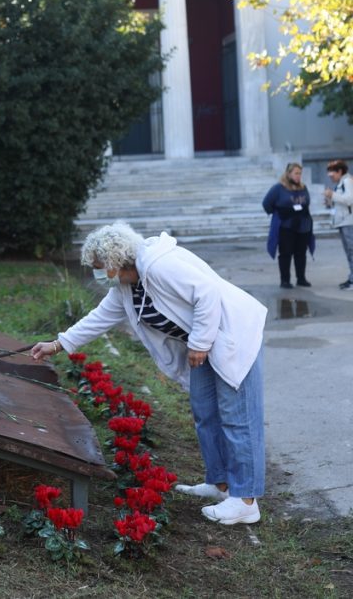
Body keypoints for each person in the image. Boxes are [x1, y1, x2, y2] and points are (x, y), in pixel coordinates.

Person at [31, 223, 267, 525]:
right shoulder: (127, 287)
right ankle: (220, 483)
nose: (99, 273)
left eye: (101, 267)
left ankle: (245, 500)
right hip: (204, 345)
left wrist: (199, 343)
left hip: (231, 336)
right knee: (206, 413)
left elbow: (207, 292)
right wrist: (58, 344)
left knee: (237, 418)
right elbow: (100, 318)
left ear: (117, 260)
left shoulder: (159, 265)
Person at [262, 162, 314, 288]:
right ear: (288, 173)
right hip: (286, 226)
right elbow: (266, 203)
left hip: (303, 226)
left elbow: (307, 202)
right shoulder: (279, 188)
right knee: (286, 253)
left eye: (300, 173)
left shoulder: (303, 187)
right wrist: (278, 212)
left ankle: (301, 278)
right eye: (296, 173)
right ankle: (285, 280)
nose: (298, 176)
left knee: (301, 253)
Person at [323, 159, 353, 290]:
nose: (331, 177)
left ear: (340, 171)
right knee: (349, 252)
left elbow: (349, 200)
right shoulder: (342, 182)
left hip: (349, 222)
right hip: (343, 221)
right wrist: (330, 201)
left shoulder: (347, 181)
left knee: (351, 251)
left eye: (332, 174)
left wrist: (332, 195)